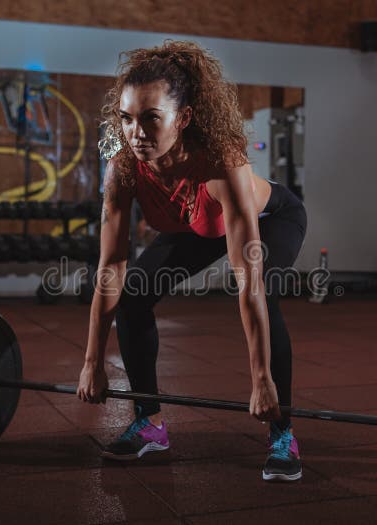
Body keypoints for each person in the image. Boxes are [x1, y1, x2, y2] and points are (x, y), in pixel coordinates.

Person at [76, 40, 307, 482]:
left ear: (182, 118)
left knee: (266, 295)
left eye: (150, 118)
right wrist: (92, 362)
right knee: (132, 296)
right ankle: (150, 423)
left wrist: (259, 377)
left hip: (271, 218)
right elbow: (111, 267)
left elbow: (249, 283)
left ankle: (283, 432)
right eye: (126, 119)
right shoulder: (123, 169)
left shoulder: (223, 164)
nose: (136, 133)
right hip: (199, 228)